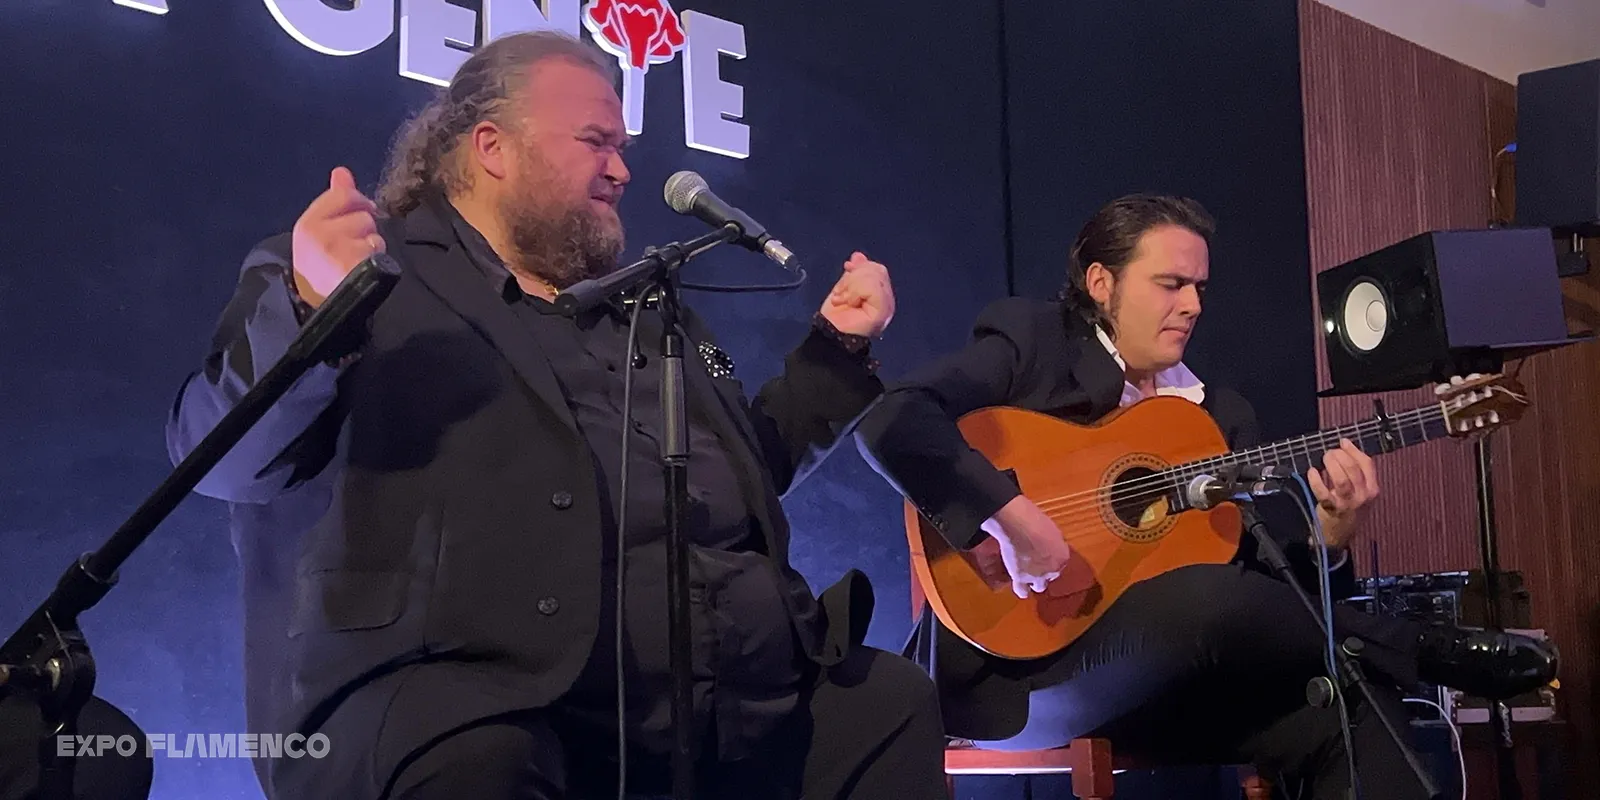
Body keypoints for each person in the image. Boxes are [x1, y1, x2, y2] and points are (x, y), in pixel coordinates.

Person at [164, 31, 943, 800]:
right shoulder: (365, 274)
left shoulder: (646, 313)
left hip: (725, 702)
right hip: (478, 699)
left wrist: (837, 353)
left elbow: (737, 481)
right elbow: (224, 458)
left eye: (622, 148)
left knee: (888, 705)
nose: (622, 170)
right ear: (493, 148)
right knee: (483, 762)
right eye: (596, 142)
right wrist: (310, 310)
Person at [853, 193, 1560, 799]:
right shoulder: (1035, 343)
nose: (1192, 305)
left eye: (1198, 288)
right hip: (1028, 677)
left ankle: (1392, 659)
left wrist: (1330, 540)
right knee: (1209, 599)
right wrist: (1011, 521)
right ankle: (1418, 650)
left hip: (1177, 686)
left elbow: (1258, 596)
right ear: (1101, 283)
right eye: (1170, 284)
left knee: (1350, 699)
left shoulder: (1217, 416)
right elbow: (893, 420)